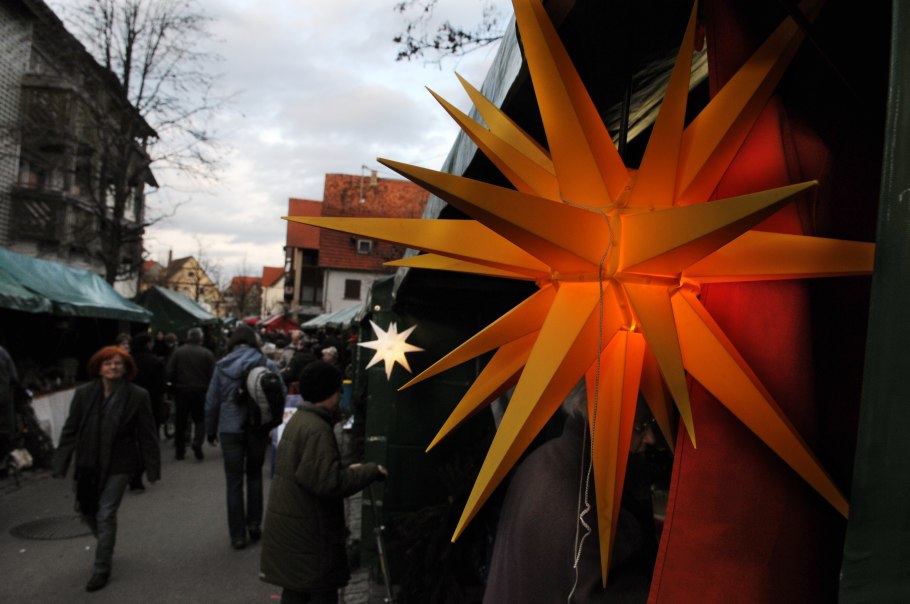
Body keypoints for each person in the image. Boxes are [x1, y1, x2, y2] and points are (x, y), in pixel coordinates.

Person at [482, 383, 659, 604]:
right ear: (605, 419)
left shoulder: (539, 460)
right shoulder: (594, 518)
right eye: (640, 426)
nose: (651, 438)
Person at [260, 360, 387, 603]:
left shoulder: (300, 420)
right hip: (311, 534)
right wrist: (370, 471)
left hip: (297, 529)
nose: (341, 395)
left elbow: (312, 470)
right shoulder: (317, 428)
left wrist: (345, 468)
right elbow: (328, 483)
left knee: (296, 591)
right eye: (338, 390)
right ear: (327, 393)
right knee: (319, 591)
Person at [52, 346, 161, 593]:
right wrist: (60, 462)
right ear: (98, 367)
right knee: (88, 512)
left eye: (118, 364)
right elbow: (70, 429)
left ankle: (101, 568)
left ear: (126, 369)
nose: (113, 367)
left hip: (120, 462)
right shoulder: (84, 394)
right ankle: (105, 541)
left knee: (106, 514)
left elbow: (147, 434)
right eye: (107, 363)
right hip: (88, 461)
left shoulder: (137, 395)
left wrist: (152, 468)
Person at [205, 324, 286, 549]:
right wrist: (272, 419)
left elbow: (212, 402)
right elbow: (281, 392)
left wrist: (210, 430)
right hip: (257, 428)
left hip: (230, 429)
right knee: (254, 476)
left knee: (233, 481)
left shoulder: (221, 366)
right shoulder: (266, 363)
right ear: (254, 341)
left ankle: (237, 535)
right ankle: (254, 525)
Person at [167, 327, 215, 461]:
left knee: (181, 420)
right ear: (200, 339)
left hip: (181, 390)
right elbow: (212, 375)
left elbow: (170, 371)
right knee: (199, 419)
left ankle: (180, 450)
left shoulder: (178, 352)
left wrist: (171, 387)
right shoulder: (207, 354)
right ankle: (197, 442)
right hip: (200, 391)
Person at [128, 333, 167, 491]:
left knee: (130, 440)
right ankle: (139, 473)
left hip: (128, 406)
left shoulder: (127, 361)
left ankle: (130, 471)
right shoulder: (155, 362)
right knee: (148, 440)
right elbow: (161, 387)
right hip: (151, 405)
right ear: (148, 344)